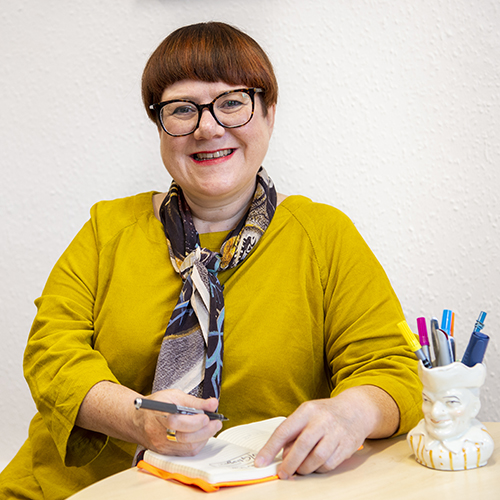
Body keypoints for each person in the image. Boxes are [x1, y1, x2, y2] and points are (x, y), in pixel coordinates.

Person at [0, 21, 422, 499]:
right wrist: (136, 415)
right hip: (69, 491)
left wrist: (353, 411)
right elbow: (50, 354)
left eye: (232, 103)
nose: (207, 127)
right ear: (159, 125)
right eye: (182, 110)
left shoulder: (324, 237)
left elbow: (390, 368)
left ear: (269, 113)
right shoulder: (106, 229)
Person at [407, 362, 494, 470]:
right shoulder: (416, 439)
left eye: (451, 402)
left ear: (474, 407)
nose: (435, 412)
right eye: (427, 400)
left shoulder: (482, 445)